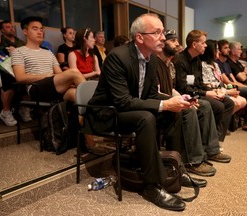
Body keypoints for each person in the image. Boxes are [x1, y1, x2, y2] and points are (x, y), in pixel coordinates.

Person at [88, 13, 189, 211]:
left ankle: (176, 168)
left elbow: (150, 94)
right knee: (146, 117)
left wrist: (173, 100)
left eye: (162, 32)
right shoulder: (118, 56)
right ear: (139, 37)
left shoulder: (151, 60)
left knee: (174, 111)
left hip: (129, 109)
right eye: (157, 32)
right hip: (107, 114)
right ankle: (152, 186)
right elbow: (123, 101)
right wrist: (164, 105)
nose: (163, 37)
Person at [156, 30, 231, 177]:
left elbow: (178, 87)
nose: (178, 44)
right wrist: (186, 99)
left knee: (206, 105)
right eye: (173, 41)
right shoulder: (174, 61)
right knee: (192, 109)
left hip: (181, 95)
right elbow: (176, 88)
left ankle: (210, 149)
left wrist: (191, 97)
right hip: (164, 101)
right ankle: (193, 160)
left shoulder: (172, 63)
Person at [174, 30, 235, 142]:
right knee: (218, 106)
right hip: (186, 94)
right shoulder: (180, 61)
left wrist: (214, 91)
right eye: (203, 43)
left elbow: (199, 83)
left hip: (196, 91)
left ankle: (216, 138)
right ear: (194, 44)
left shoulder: (197, 60)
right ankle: (208, 141)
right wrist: (206, 93)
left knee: (228, 102)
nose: (206, 45)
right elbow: (183, 88)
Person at [11, 16, 86, 104]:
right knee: (74, 72)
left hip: (54, 87)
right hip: (36, 88)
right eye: (35, 29)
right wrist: (47, 76)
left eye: (41, 29)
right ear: (25, 31)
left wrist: (68, 80)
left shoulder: (48, 53)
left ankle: (95, 113)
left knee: (76, 94)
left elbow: (59, 74)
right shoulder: (18, 51)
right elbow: (20, 78)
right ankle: (98, 105)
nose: (40, 32)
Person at [216, 39, 247, 134]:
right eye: (226, 48)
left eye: (228, 48)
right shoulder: (218, 63)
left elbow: (233, 80)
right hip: (227, 87)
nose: (229, 50)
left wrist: (245, 86)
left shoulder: (226, 64)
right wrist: (244, 86)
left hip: (233, 86)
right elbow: (227, 82)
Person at [0, 20, 31, 126]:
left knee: (30, 77)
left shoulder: (20, 41)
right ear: (2, 30)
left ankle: (24, 108)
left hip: (21, 67)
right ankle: (5, 111)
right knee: (9, 79)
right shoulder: (0, 42)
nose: (11, 29)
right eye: (8, 27)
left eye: (12, 27)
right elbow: (0, 59)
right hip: (4, 70)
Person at [200, 39, 247, 114]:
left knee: (243, 101)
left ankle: (224, 121)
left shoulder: (216, 64)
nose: (218, 51)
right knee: (235, 102)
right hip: (214, 92)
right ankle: (221, 123)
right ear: (211, 51)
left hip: (221, 90)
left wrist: (229, 90)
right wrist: (227, 91)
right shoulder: (204, 65)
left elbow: (221, 82)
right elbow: (209, 85)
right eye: (217, 49)